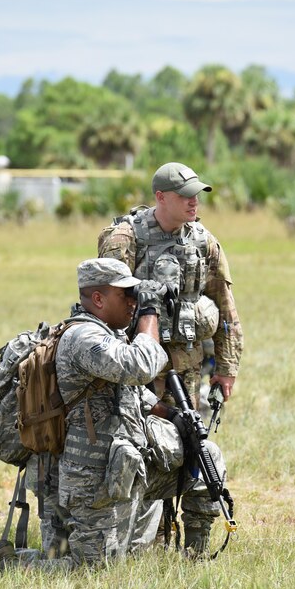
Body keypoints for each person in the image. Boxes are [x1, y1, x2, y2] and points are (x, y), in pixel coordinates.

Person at [0, 258, 225, 569]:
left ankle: (194, 559)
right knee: (87, 570)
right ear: (98, 299)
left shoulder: (107, 333)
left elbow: (130, 392)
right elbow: (138, 366)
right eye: (127, 295)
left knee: (204, 456)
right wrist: (150, 312)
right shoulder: (82, 338)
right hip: (86, 478)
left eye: (137, 296)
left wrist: (173, 417)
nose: (134, 302)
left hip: (115, 465)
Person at [98, 161, 244, 408]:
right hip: (136, 369)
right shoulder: (125, 239)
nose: (194, 201)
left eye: (196, 194)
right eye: (185, 195)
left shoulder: (203, 242)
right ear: (160, 197)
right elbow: (103, 309)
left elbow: (226, 308)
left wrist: (226, 367)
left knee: (186, 439)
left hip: (187, 370)